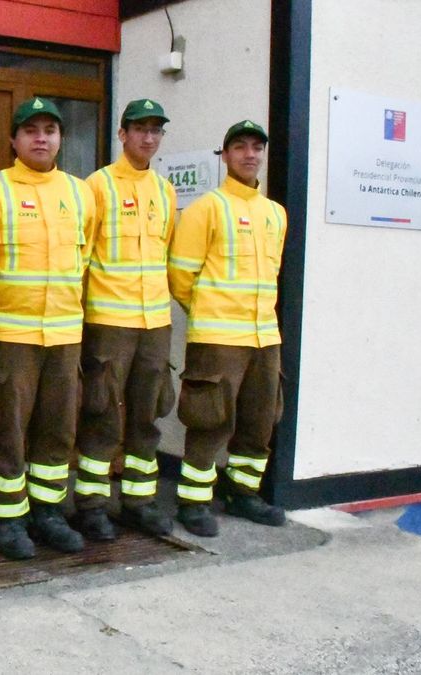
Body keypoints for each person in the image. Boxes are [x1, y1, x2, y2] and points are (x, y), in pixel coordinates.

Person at [0, 97, 97, 560]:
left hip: (64, 337)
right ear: (14, 139)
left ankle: (48, 513)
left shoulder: (81, 194)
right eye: (31, 131)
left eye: (49, 130)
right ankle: (7, 518)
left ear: (61, 138)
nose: (41, 138)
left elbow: (83, 260)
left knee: (57, 429)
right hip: (10, 337)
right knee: (8, 430)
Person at [167, 120, 288, 537]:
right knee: (209, 422)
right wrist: (209, 312)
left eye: (256, 147)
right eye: (240, 147)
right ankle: (193, 501)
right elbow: (181, 276)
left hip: (264, 338)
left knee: (259, 422)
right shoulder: (206, 209)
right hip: (218, 339)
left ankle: (243, 493)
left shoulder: (275, 214)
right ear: (225, 155)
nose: (249, 154)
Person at [73, 99, 179, 540]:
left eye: (155, 130)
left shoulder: (166, 191)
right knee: (102, 415)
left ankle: (138, 502)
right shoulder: (97, 186)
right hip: (109, 322)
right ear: (122, 134)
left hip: (154, 323)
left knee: (146, 416)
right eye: (140, 129)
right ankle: (91, 505)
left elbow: (167, 253)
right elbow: (81, 254)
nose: (148, 137)